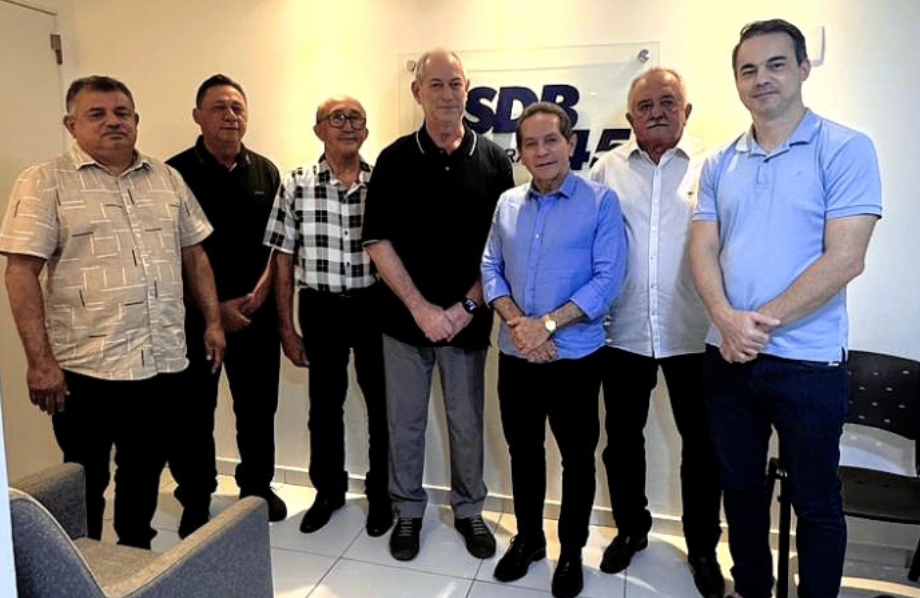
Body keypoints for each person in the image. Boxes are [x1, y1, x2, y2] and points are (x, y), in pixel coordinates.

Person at [689, 19, 881, 598]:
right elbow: (702, 248)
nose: (761, 79)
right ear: (736, 81)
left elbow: (845, 258)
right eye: (748, 69)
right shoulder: (719, 162)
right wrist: (726, 320)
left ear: (802, 68)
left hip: (808, 363)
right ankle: (752, 590)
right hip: (727, 358)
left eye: (775, 64)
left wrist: (754, 324)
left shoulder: (845, 148)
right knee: (741, 490)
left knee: (816, 500)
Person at [0, 75, 224, 549]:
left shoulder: (166, 178)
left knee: (144, 469)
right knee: (85, 477)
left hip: (160, 361)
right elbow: (20, 272)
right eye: (96, 114)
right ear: (71, 124)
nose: (112, 122)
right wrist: (40, 362)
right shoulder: (44, 181)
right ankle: (83, 562)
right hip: (86, 368)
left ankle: (134, 553)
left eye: (122, 113)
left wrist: (213, 322)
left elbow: (194, 255)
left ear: (136, 120)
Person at [362, 48, 514, 562]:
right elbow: (377, 241)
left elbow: (500, 249)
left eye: (455, 84)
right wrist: (422, 309)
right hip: (403, 322)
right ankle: (408, 510)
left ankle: (469, 510)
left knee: (466, 424)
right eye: (436, 85)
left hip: (467, 322)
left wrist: (463, 308)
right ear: (417, 92)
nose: (447, 94)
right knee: (404, 424)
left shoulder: (494, 160)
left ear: (467, 88)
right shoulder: (394, 160)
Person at [589, 68, 724, 598]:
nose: (657, 112)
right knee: (622, 443)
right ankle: (631, 530)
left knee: (703, 447)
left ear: (686, 111)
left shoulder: (715, 164)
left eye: (668, 102)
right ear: (630, 117)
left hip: (696, 332)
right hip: (622, 333)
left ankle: (703, 547)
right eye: (645, 106)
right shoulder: (607, 169)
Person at [483, 102, 627, 598]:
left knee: (577, 459)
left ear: (571, 144)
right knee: (523, 453)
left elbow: (607, 279)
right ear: (520, 152)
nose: (541, 151)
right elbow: (490, 268)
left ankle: (570, 551)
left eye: (551, 140)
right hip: (516, 356)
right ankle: (528, 540)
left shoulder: (601, 202)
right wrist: (520, 327)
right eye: (531, 143)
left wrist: (545, 326)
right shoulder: (507, 204)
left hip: (576, 360)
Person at [264, 95, 391, 537]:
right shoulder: (296, 182)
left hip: (374, 305)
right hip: (320, 307)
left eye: (356, 118)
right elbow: (282, 257)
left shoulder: (382, 182)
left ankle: (381, 495)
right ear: (319, 129)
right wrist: (286, 327)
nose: (348, 125)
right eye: (337, 118)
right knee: (324, 407)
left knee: (382, 406)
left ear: (366, 130)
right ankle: (329, 492)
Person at [166, 74, 286, 534]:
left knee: (258, 409)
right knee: (192, 415)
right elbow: (171, 255)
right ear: (197, 116)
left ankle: (256, 489)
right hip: (196, 320)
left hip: (255, 317)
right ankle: (196, 498)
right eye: (219, 107)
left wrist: (259, 296)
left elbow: (277, 247)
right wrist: (215, 310)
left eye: (237, 107)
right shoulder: (173, 175)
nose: (230, 115)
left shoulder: (266, 171)